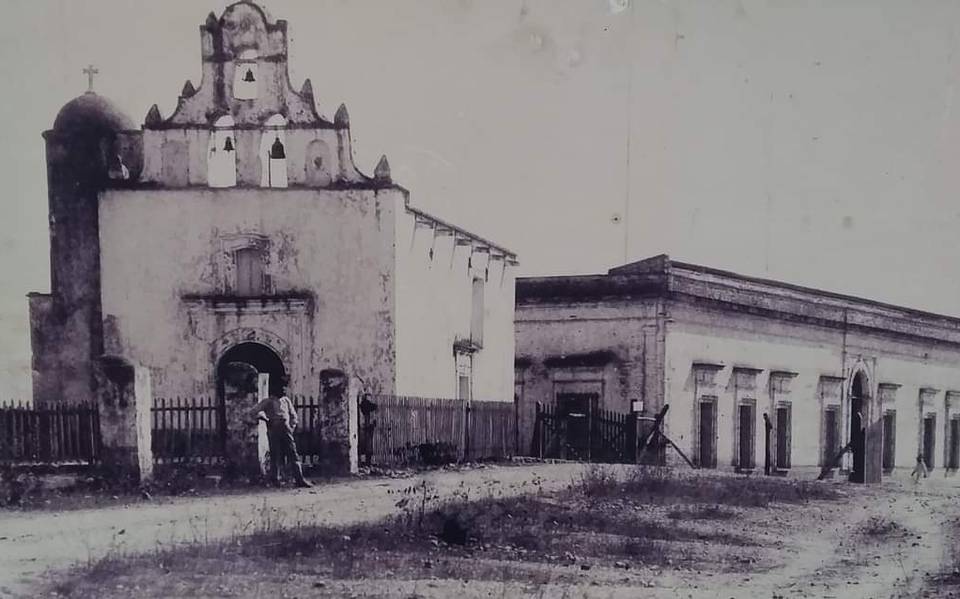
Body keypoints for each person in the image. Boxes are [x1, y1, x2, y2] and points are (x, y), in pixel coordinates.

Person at [253, 375, 312, 488]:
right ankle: (275, 479)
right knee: (275, 455)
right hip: (273, 429)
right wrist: (265, 419)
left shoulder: (286, 401)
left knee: (293, 454)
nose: (284, 390)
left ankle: (299, 479)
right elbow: (254, 412)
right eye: (282, 388)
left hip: (286, 430)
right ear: (275, 389)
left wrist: (291, 427)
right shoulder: (268, 402)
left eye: (285, 387)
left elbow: (294, 415)